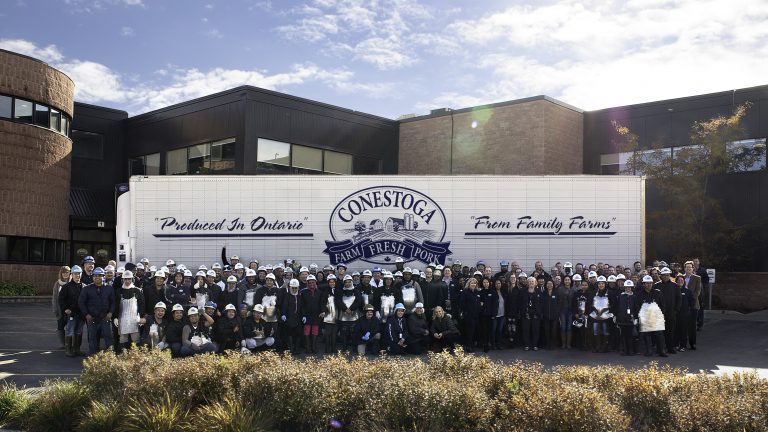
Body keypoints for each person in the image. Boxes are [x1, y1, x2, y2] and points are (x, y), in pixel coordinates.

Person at [78, 267, 114, 355]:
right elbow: (81, 302)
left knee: (108, 336)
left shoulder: (109, 288)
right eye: (95, 276)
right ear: (92, 277)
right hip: (92, 318)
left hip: (105, 317)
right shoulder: (87, 289)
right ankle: (93, 355)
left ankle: (110, 355)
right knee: (92, 337)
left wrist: (110, 312)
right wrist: (86, 314)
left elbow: (113, 302)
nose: (97, 277)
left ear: (103, 276)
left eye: (99, 275)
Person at [114, 270, 146, 350]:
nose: (127, 281)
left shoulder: (137, 291)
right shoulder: (119, 291)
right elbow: (116, 305)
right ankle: (123, 355)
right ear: (122, 280)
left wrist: (140, 316)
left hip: (135, 319)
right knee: (123, 340)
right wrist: (115, 317)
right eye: (125, 279)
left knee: (136, 340)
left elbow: (142, 305)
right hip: (122, 319)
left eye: (129, 279)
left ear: (132, 279)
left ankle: (135, 356)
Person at [636, 275, 667, 357]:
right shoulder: (639, 294)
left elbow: (663, 305)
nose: (649, 284)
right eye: (647, 283)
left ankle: (662, 351)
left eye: (650, 283)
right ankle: (649, 351)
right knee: (647, 335)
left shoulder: (658, 292)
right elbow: (637, 307)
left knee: (660, 335)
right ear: (643, 284)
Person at [59, 265, 84, 357]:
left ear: (81, 274)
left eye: (79, 273)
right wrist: (65, 309)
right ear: (72, 275)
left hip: (81, 314)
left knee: (79, 331)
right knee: (70, 331)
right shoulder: (66, 287)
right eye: (75, 273)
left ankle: (77, 349)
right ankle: (68, 350)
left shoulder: (84, 286)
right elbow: (61, 299)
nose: (77, 275)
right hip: (71, 314)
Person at [655, 267, 681, 354]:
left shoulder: (675, 286)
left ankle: (670, 348)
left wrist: (676, 310)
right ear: (661, 276)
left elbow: (679, 299)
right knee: (659, 332)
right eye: (664, 275)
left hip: (671, 313)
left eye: (667, 275)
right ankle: (660, 349)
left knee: (670, 331)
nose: (666, 276)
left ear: (669, 275)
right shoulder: (656, 286)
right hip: (659, 314)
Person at [337, 275, 361, 353]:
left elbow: (358, 301)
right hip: (343, 316)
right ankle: (344, 348)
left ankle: (354, 348)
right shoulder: (341, 291)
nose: (347, 284)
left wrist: (351, 309)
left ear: (352, 282)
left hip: (354, 316)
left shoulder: (356, 291)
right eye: (346, 282)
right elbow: (338, 301)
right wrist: (345, 309)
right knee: (344, 334)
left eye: (349, 282)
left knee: (354, 333)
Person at [300, 274, 324, 354]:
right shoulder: (303, 292)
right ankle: (308, 347)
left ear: (315, 282)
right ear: (307, 283)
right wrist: (303, 315)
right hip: (307, 315)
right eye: (310, 282)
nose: (311, 284)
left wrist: (322, 311)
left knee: (315, 331)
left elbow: (321, 303)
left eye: (313, 282)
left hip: (316, 315)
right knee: (306, 331)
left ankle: (313, 347)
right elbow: (302, 305)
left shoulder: (319, 292)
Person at [589, 276, 612, 353]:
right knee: (595, 331)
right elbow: (590, 304)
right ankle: (597, 346)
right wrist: (590, 313)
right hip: (595, 316)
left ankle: (604, 347)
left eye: (602, 283)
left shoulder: (609, 293)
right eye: (599, 284)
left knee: (606, 331)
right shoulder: (593, 293)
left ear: (605, 284)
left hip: (606, 316)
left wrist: (611, 314)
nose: (601, 285)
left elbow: (613, 304)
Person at [519, 277, 542, 351]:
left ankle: (535, 345)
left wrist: (538, 313)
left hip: (536, 314)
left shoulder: (539, 291)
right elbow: (520, 303)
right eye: (530, 281)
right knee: (526, 330)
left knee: (536, 330)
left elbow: (541, 303)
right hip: (526, 313)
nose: (531, 283)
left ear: (535, 283)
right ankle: (527, 345)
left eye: (532, 281)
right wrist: (523, 312)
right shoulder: (523, 291)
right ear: (527, 283)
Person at [459, 277, 481, 353]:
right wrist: (466, 312)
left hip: (476, 315)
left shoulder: (477, 292)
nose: (473, 284)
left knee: (474, 331)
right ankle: (468, 346)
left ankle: (472, 345)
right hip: (468, 315)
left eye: (475, 283)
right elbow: (462, 303)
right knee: (469, 332)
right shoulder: (465, 292)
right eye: (472, 283)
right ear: (469, 284)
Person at [616, 280, 638, 356]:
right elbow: (617, 307)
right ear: (624, 287)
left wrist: (636, 318)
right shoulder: (620, 296)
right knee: (623, 335)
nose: (628, 288)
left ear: (631, 288)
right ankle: (625, 350)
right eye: (627, 287)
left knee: (630, 335)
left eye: (629, 287)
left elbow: (636, 308)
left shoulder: (634, 296)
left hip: (631, 319)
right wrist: (616, 316)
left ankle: (631, 350)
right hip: (622, 319)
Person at [281, 278, 303, 354]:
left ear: (298, 288)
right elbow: (284, 306)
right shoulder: (287, 296)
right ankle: (291, 348)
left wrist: (304, 315)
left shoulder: (300, 296)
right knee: (289, 333)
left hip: (298, 318)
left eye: (295, 288)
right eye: (292, 288)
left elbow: (302, 307)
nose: (294, 289)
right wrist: (283, 314)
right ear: (290, 287)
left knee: (298, 334)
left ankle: (297, 349)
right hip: (289, 317)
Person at [683, 261, 701, 349]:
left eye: (690, 267)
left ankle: (692, 343)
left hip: (693, 305)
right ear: (684, 268)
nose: (688, 269)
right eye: (687, 267)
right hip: (683, 305)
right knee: (683, 325)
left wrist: (689, 299)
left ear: (693, 268)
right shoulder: (680, 277)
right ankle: (682, 343)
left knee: (692, 325)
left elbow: (697, 292)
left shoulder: (697, 278)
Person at [674, 274, 695, 352]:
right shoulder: (674, 291)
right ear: (676, 281)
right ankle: (676, 344)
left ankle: (683, 346)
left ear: (684, 282)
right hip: (675, 313)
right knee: (676, 330)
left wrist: (689, 309)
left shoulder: (688, 291)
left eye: (682, 280)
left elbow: (692, 301)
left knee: (684, 331)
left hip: (684, 314)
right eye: (679, 280)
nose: (680, 281)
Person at [53, 266, 71, 350]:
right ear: (61, 273)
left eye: (67, 272)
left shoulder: (72, 282)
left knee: (70, 328)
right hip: (60, 310)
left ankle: (69, 343)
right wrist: (55, 310)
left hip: (70, 310)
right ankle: (62, 344)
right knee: (60, 327)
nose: (65, 274)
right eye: (63, 272)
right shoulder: (57, 283)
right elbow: (54, 298)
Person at [540, 279, 560, 350]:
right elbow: (541, 304)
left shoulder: (556, 293)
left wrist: (557, 313)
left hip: (554, 316)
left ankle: (553, 344)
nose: (549, 285)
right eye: (548, 284)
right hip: (546, 316)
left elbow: (559, 304)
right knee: (546, 331)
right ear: (546, 285)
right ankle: (547, 344)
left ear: (553, 285)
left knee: (553, 331)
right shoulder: (543, 293)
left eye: (551, 284)